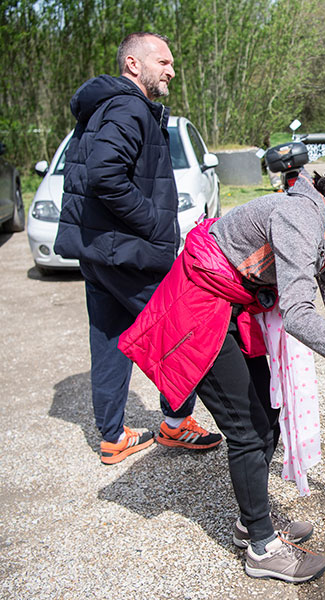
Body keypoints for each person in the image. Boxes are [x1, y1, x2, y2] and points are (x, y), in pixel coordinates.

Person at [119, 158, 325, 583]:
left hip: (233, 306)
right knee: (247, 430)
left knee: (269, 421)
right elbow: (298, 313)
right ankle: (261, 548)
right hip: (201, 306)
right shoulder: (301, 216)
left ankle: (252, 522)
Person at [54, 32, 221, 464]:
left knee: (109, 337)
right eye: (163, 62)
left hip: (100, 250)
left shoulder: (105, 107)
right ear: (133, 64)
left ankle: (112, 436)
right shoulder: (129, 106)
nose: (171, 71)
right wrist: (155, 226)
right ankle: (176, 422)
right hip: (127, 251)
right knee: (177, 331)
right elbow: (104, 175)